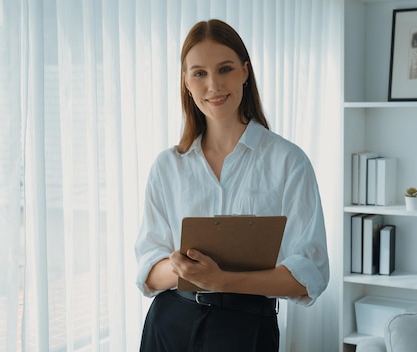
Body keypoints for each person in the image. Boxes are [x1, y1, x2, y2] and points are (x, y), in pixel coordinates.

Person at [134, 19, 329, 352]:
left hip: (247, 328)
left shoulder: (288, 162)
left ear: (245, 71)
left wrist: (222, 280)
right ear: (185, 81)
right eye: (199, 73)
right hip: (169, 325)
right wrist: (181, 267)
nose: (213, 85)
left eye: (225, 69)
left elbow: (309, 275)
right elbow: (148, 273)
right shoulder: (167, 166)